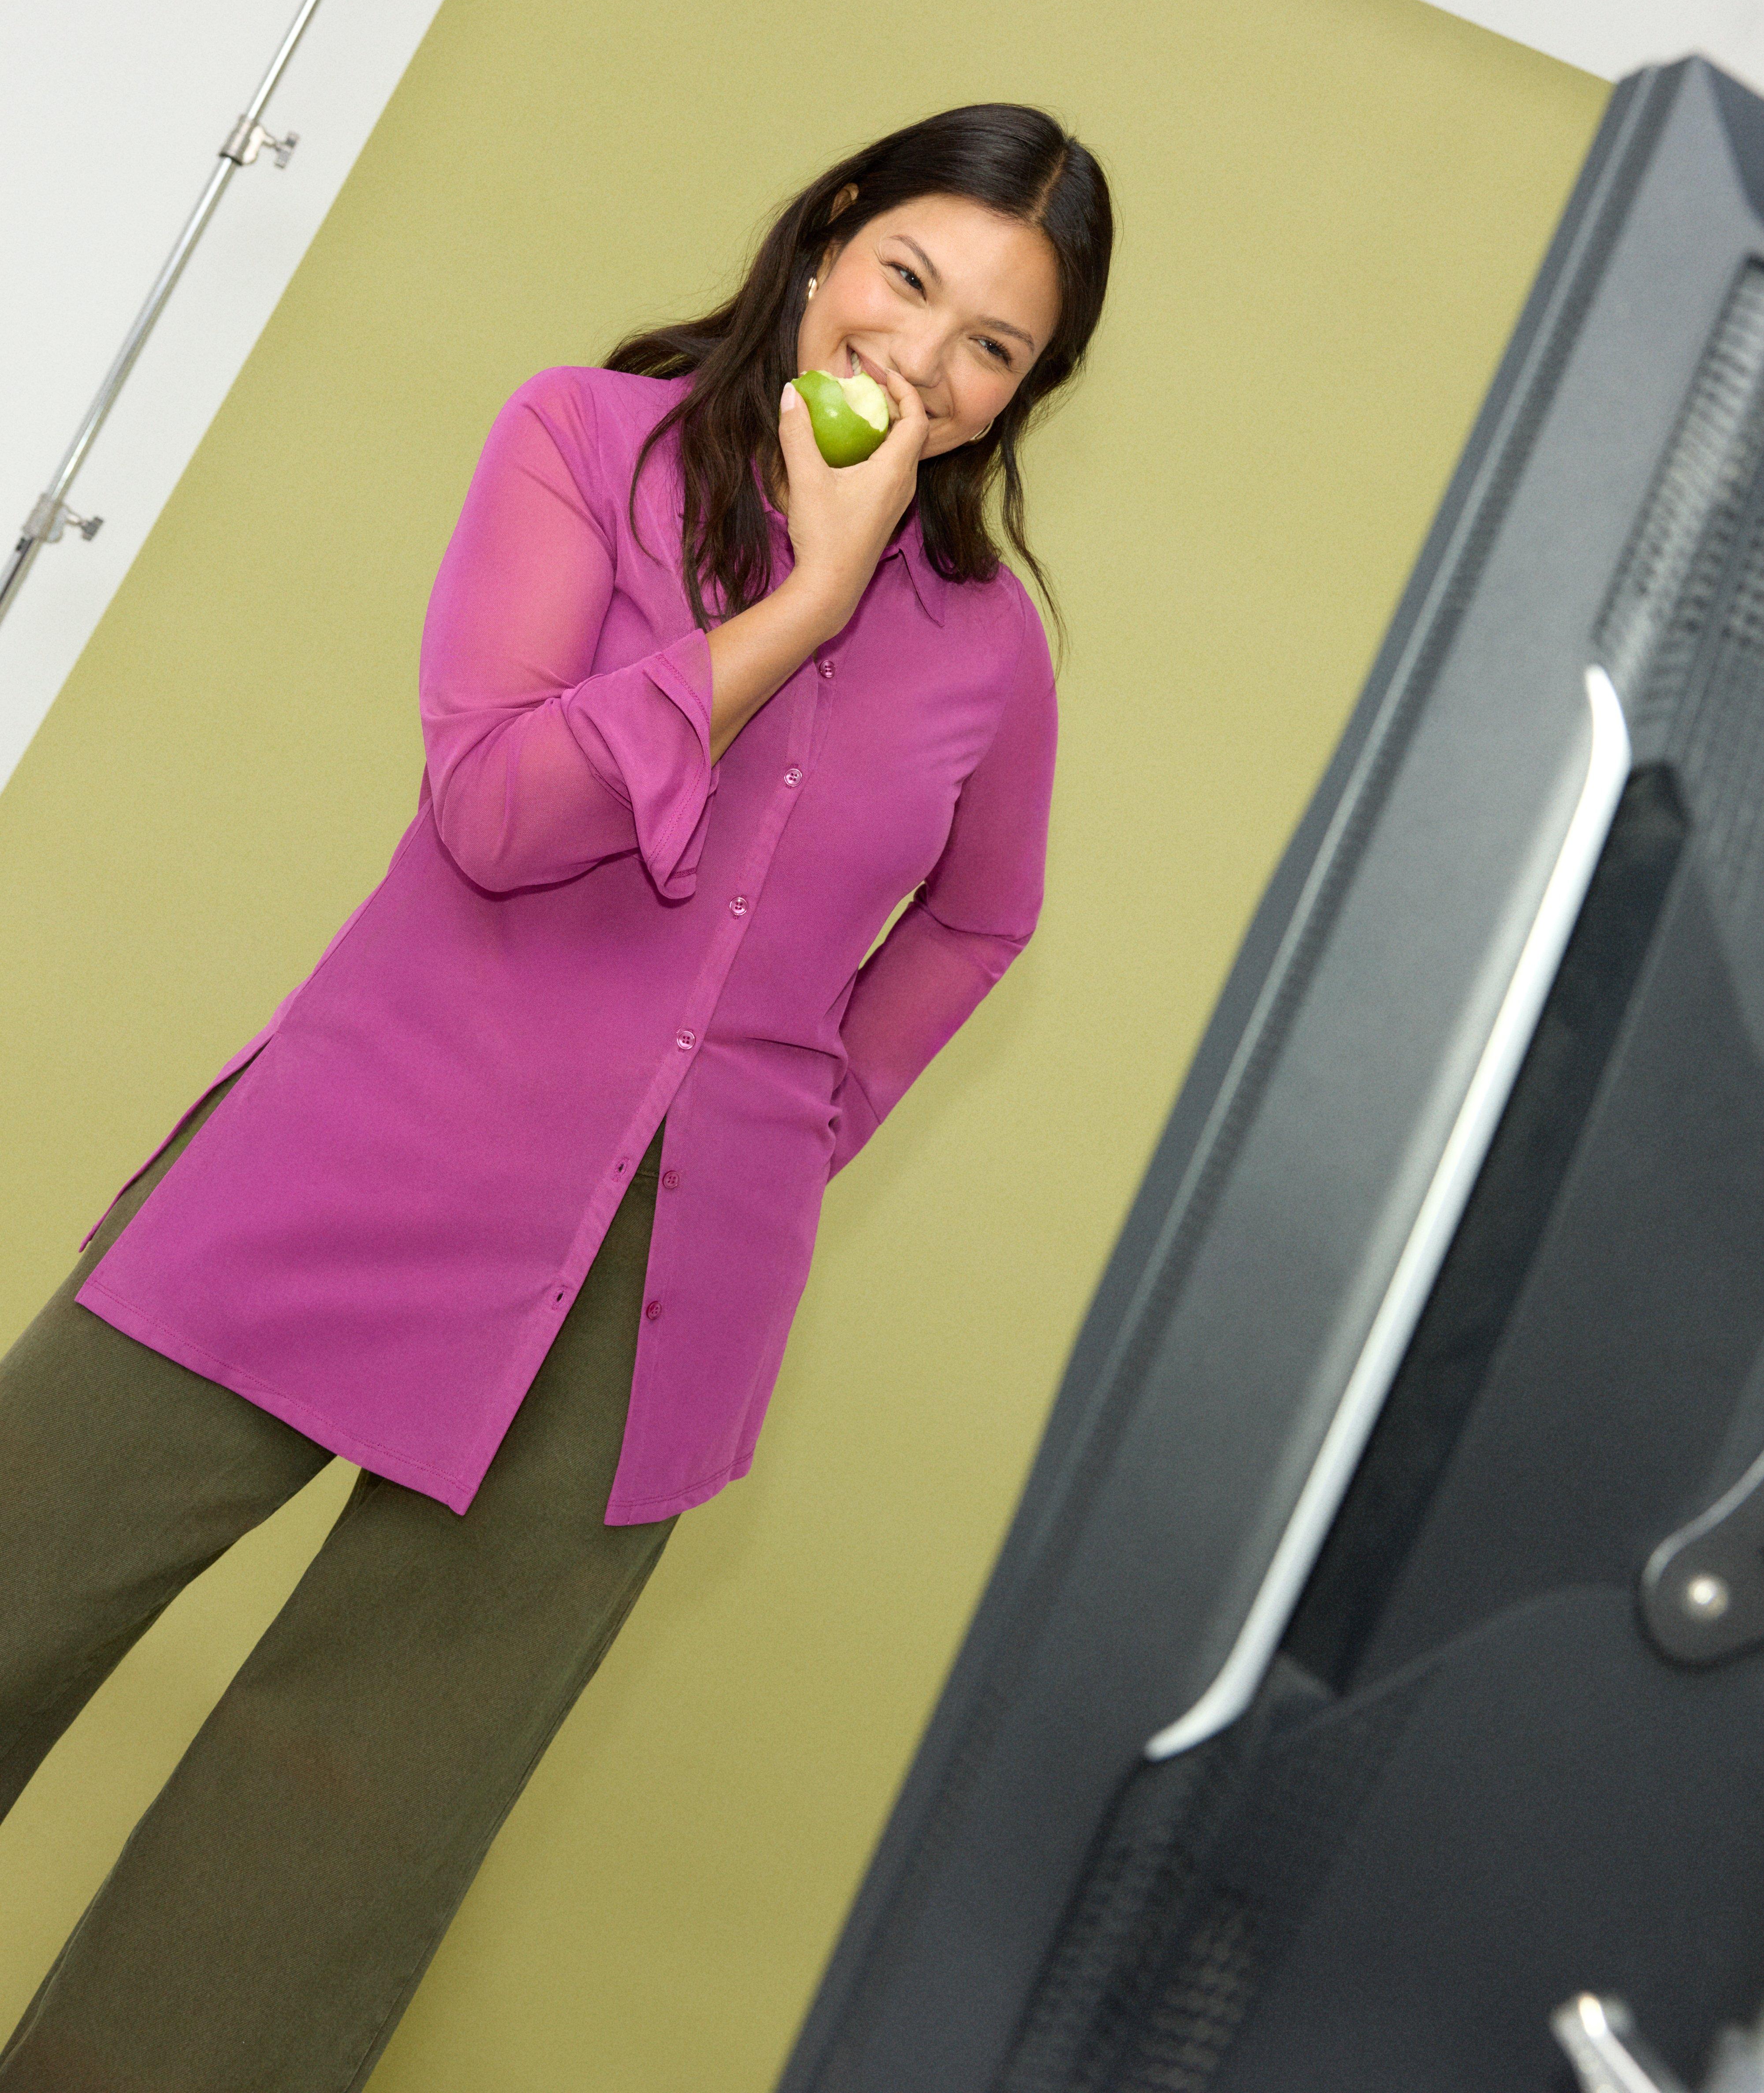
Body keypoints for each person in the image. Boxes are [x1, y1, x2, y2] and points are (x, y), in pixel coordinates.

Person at [0, 100, 1113, 2089]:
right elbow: (497, 815)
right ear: (834, 227)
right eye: (909, 282)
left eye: (991, 348)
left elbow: (980, 924)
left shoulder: (995, 649)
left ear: (1030, 387)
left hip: (655, 1303)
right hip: (358, 1158)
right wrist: (795, 613)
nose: (922, 364)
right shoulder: (583, 444)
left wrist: (796, 1118)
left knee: (336, 1831)